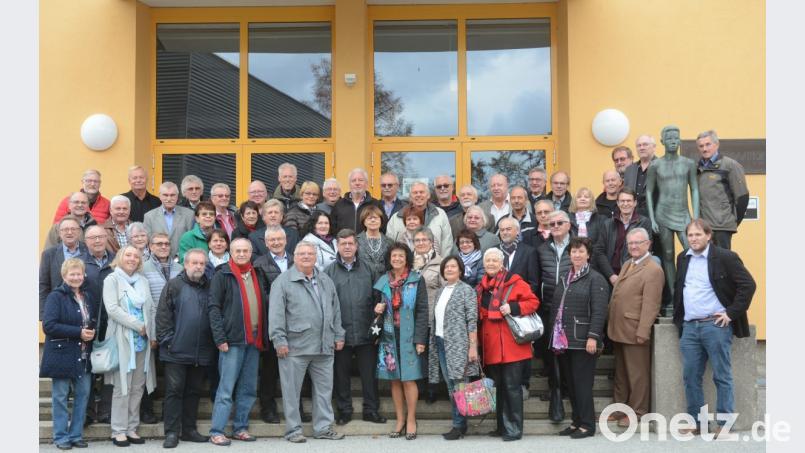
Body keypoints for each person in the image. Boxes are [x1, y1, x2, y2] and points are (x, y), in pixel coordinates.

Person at [673, 219, 756, 436]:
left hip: (715, 326)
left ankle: (725, 424)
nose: (694, 239)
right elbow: (679, 289)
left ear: (709, 236)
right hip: (690, 327)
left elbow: (748, 285)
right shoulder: (683, 258)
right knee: (690, 376)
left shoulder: (725, 257)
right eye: (690, 235)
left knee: (722, 375)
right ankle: (698, 423)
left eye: (698, 235)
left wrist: (730, 313)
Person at [269, 241, 347, 443]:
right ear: (294, 256)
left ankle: (323, 428)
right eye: (302, 253)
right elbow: (276, 314)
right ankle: (293, 430)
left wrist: (338, 334)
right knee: (291, 392)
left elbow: (336, 309)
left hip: (324, 345)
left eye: (310, 254)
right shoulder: (283, 281)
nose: (306, 257)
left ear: (315, 257)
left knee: (324, 391)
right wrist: (279, 340)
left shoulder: (325, 280)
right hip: (294, 346)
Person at [207, 238, 270, 445]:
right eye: (238, 251)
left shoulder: (257, 273)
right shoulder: (222, 274)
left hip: (254, 340)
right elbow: (213, 309)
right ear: (230, 252)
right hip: (231, 341)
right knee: (226, 389)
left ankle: (240, 428)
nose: (242, 254)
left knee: (248, 388)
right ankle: (217, 430)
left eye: (245, 250)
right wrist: (220, 338)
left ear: (251, 252)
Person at [549, 237, 610, 439]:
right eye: (573, 252)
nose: (576, 255)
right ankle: (576, 421)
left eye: (581, 251)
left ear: (588, 255)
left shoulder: (596, 278)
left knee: (583, 385)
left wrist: (593, 337)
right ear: (569, 255)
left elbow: (600, 311)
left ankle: (587, 425)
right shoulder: (566, 277)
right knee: (572, 385)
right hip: (564, 341)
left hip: (584, 341)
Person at [325, 229, 387, 425]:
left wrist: (377, 316)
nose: (347, 247)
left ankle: (371, 410)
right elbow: (326, 304)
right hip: (340, 333)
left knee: (369, 376)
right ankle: (344, 411)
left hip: (365, 331)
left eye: (351, 243)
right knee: (340, 376)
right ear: (337, 246)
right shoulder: (328, 272)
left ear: (356, 245)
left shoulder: (369, 269)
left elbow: (378, 297)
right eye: (343, 244)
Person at [477, 248, 539, 441]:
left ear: (502, 263)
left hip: (512, 345)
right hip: (492, 345)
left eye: (495, 260)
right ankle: (502, 426)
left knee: (512, 387)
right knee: (500, 387)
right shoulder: (481, 287)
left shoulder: (515, 282)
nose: (491, 264)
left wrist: (513, 307)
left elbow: (533, 302)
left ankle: (514, 429)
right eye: (488, 261)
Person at [156, 249, 216, 448]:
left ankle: (189, 430)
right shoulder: (174, 285)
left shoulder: (209, 286)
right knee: (174, 391)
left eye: (202, 263)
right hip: (175, 351)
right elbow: (163, 316)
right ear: (186, 264)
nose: (198, 266)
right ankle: (172, 432)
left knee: (193, 391)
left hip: (201, 351)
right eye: (194, 263)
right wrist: (169, 342)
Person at [253, 226, 311, 424]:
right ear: (266, 243)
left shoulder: (297, 261)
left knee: (296, 371)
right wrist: (288, 301)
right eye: (272, 240)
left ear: (286, 240)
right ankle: (268, 409)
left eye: (280, 239)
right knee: (270, 371)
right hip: (273, 323)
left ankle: (297, 410)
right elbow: (262, 295)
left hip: (298, 325)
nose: (276, 243)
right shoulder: (260, 264)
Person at [606, 228, 664, 427]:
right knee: (621, 373)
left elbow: (651, 304)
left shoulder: (653, 269)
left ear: (648, 244)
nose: (633, 246)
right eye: (630, 243)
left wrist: (643, 331)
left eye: (638, 242)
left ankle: (638, 411)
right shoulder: (628, 264)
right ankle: (619, 408)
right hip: (619, 328)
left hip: (635, 330)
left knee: (637, 374)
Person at [103, 245, 157, 447]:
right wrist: (137, 325)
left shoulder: (142, 281)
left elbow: (150, 308)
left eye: (136, 256)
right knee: (122, 387)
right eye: (128, 255)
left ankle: (132, 428)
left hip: (143, 342)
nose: (132, 258)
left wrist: (152, 333)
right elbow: (112, 309)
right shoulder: (112, 280)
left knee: (137, 387)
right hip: (122, 340)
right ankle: (118, 430)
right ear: (120, 257)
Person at [373, 242, 428, 440]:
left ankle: (412, 419)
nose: (397, 259)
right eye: (393, 256)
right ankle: (400, 419)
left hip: (410, 335)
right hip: (388, 334)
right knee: (394, 379)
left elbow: (422, 310)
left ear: (407, 259)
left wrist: (421, 339)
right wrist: (377, 308)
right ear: (389, 259)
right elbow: (375, 304)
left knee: (409, 378)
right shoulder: (383, 280)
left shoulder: (416, 279)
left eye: (401, 256)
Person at [40, 258, 96, 450]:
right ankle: (61, 437)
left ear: (83, 275)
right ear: (64, 276)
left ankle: (76, 435)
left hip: (83, 354)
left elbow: (88, 321)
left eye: (78, 273)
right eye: (71, 274)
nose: (75, 277)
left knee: (83, 396)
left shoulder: (86, 296)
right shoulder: (55, 296)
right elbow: (49, 326)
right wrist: (78, 332)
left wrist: (91, 330)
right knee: (60, 397)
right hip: (62, 354)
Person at [427, 256, 479, 440]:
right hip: (441, 342)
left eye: (453, 266)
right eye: (446, 267)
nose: (449, 269)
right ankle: (460, 423)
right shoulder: (441, 291)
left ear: (460, 270)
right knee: (451, 385)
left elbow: (472, 320)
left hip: (459, 344)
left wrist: (473, 348)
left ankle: (458, 425)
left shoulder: (467, 291)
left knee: (459, 385)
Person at [646, 125, 700, 298]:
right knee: (668, 254)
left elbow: (694, 190)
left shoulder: (688, 163)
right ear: (662, 142)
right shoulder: (655, 165)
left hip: (683, 213)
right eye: (669, 139)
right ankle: (675, 295)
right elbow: (648, 191)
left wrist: (696, 217)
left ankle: (692, 291)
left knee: (691, 250)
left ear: (680, 140)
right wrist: (652, 218)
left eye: (676, 138)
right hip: (662, 213)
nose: (673, 141)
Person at [535, 210, 573, 422]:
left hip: (571, 308)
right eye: (552, 223)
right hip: (548, 306)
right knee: (551, 351)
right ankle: (555, 389)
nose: (556, 226)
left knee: (568, 352)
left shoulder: (578, 247)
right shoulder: (542, 250)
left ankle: (567, 388)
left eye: (560, 222)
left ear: (569, 225)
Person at [81, 225, 114, 426]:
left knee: (110, 369)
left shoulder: (116, 262)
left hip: (111, 323)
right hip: (86, 323)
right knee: (86, 370)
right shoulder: (79, 263)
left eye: (101, 236)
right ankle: (87, 412)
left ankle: (106, 412)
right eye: (92, 238)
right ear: (85, 241)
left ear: (106, 238)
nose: (97, 241)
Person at [695, 130, 749, 250]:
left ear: (717, 144)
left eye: (708, 144)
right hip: (704, 227)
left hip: (722, 227)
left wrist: (732, 221)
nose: (704, 149)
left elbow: (743, 197)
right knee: (707, 264)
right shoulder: (698, 167)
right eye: (701, 146)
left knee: (722, 262)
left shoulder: (730, 165)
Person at [411, 226, 445, 404]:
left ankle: (431, 389)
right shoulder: (408, 262)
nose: (421, 243)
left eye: (424, 240)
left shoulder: (440, 264)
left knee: (431, 355)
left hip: (432, 315)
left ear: (431, 242)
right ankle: (418, 387)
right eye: (417, 240)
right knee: (416, 354)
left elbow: (445, 290)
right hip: (411, 316)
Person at [594, 188, 653, 286]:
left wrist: (625, 275)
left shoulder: (644, 222)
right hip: (609, 274)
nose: (625, 204)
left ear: (635, 203)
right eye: (622, 201)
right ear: (617, 203)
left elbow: (646, 250)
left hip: (633, 273)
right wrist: (611, 275)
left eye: (629, 201)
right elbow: (599, 251)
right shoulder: (608, 224)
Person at [386, 181, 452, 257]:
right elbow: (390, 244)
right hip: (405, 266)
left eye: (422, 192)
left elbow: (447, 243)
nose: (418, 195)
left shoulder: (440, 214)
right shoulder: (396, 217)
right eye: (415, 193)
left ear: (428, 195)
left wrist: (442, 265)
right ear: (410, 197)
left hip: (434, 265)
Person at [40, 216, 88, 320]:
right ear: (59, 233)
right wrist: (44, 314)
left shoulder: (89, 250)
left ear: (79, 232)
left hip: (84, 309)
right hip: (57, 309)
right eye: (65, 229)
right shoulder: (49, 254)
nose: (69, 232)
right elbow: (43, 285)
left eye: (73, 229)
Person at [143, 181, 195, 258]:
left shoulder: (189, 214)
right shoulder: (149, 216)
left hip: (182, 260)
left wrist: (179, 257)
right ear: (160, 196)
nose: (169, 198)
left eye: (172, 195)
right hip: (157, 261)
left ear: (177, 196)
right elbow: (148, 242)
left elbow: (191, 240)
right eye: (165, 195)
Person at [331, 168, 384, 234]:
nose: (357, 183)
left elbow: (383, 228)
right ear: (349, 184)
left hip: (367, 244)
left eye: (361, 180)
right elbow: (332, 229)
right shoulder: (339, 205)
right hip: (345, 243)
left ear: (366, 184)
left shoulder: (376, 204)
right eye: (353, 181)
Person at [142, 232, 182, 304]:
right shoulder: (143, 268)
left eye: (167, 244)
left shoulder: (180, 269)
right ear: (151, 247)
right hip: (154, 313)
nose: (164, 247)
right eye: (159, 244)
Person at [623, 135, 657, 217]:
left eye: (645, 144)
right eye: (639, 145)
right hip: (633, 217)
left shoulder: (662, 166)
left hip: (655, 217)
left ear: (654, 147)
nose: (641, 148)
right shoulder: (629, 170)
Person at [356, 205, 394, 276]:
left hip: (384, 282)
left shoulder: (390, 242)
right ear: (364, 222)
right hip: (363, 280)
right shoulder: (356, 241)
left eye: (376, 218)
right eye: (369, 218)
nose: (373, 220)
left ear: (381, 221)